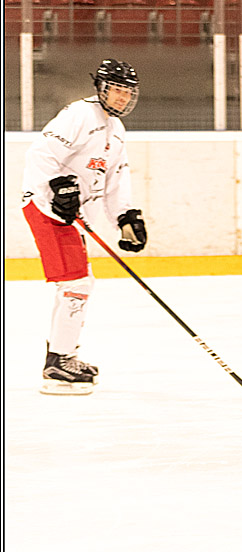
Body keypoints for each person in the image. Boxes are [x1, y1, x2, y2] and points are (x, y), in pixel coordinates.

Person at [21, 59, 148, 395]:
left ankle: (64, 355)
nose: (121, 98)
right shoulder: (80, 114)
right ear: (101, 88)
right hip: (47, 207)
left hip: (69, 214)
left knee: (80, 281)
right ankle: (58, 363)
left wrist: (126, 216)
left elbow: (115, 181)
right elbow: (40, 154)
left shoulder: (116, 131)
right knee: (76, 282)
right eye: (116, 90)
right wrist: (60, 184)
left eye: (127, 92)